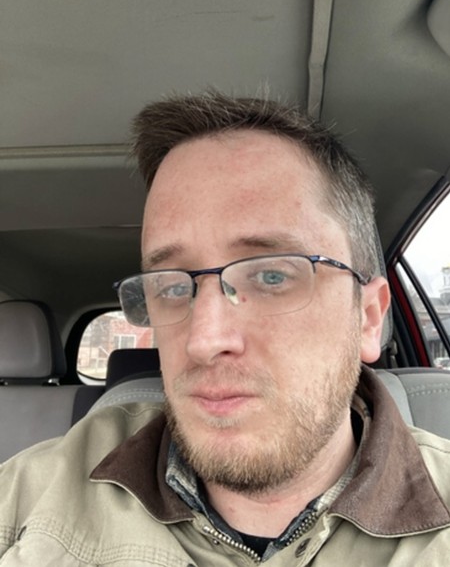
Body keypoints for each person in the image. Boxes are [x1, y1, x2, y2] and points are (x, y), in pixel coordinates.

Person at [1, 91, 450, 566]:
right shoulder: (30, 496)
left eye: (271, 276)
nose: (204, 340)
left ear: (368, 317)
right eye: (172, 286)